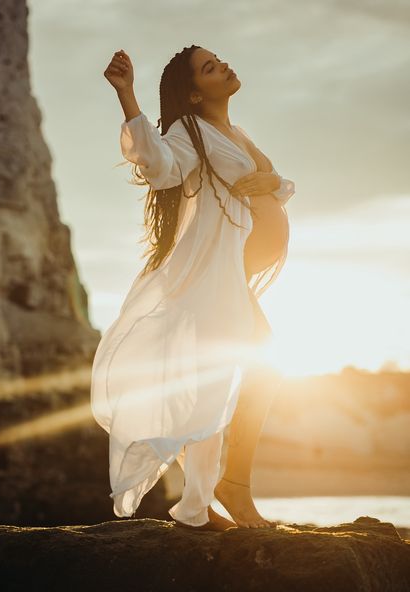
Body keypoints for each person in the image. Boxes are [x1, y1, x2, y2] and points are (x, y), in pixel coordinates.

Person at [91, 45, 295, 531]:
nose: (223, 65)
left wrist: (267, 178)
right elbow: (161, 167)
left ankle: (198, 507)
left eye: (219, 59)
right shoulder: (189, 132)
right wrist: (128, 98)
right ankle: (225, 492)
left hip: (230, 275)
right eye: (209, 67)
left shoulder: (235, 132)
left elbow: (279, 186)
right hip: (212, 274)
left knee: (222, 380)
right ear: (195, 93)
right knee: (249, 372)